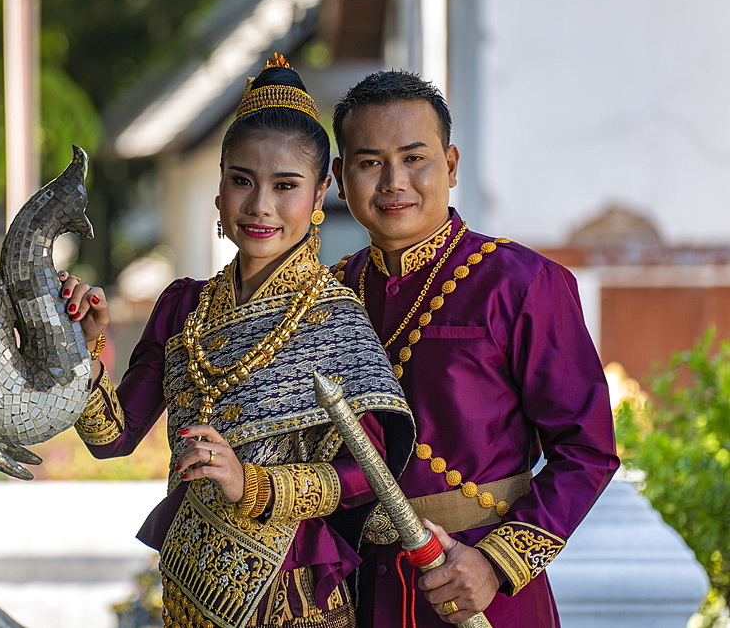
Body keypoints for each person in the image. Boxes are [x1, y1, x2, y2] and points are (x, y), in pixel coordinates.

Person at [60, 56, 416, 628]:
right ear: (220, 185)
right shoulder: (182, 306)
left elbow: (369, 475)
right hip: (187, 585)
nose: (260, 206)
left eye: (286, 185)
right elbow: (113, 439)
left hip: (293, 593)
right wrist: (83, 351)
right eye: (241, 181)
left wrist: (250, 483)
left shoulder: (336, 321)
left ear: (322, 191)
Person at [329, 71, 620, 627]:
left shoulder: (520, 282)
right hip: (363, 594)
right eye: (370, 163)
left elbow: (587, 451)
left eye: (415, 157)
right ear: (342, 179)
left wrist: (495, 564)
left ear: (452, 165)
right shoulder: (327, 298)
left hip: (490, 596)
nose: (394, 181)